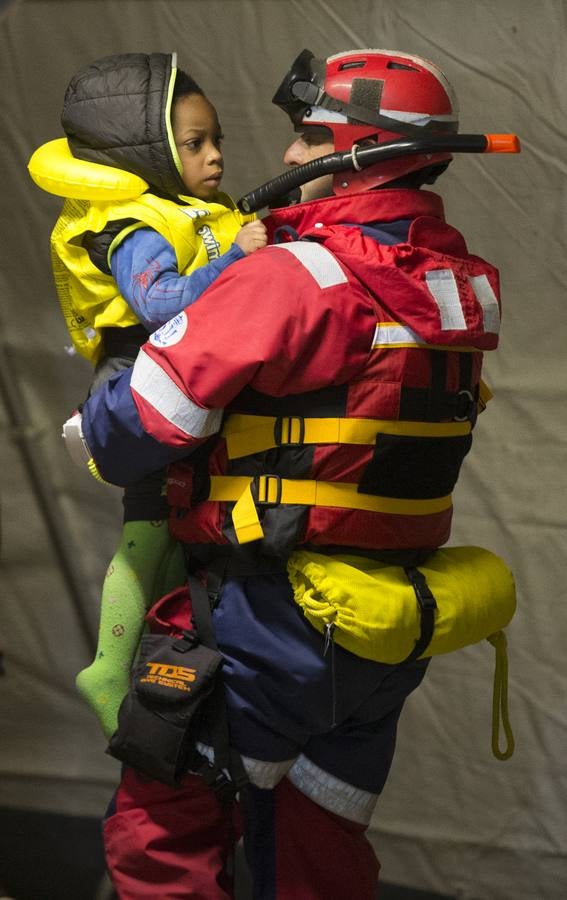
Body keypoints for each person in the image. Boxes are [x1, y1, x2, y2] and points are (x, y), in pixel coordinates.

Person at [69, 48, 504, 899]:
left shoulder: (287, 277)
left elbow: (134, 432)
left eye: (310, 139)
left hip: (261, 619)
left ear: (355, 154)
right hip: (382, 629)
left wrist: (108, 391)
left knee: (165, 833)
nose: (291, 159)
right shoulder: (464, 286)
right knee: (319, 846)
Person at [33, 51, 267, 739]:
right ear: (147, 151)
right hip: (139, 392)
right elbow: (161, 304)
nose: (215, 157)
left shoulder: (184, 210)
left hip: (172, 386)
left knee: (171, 538)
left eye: (216, 139)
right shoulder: (131, 226)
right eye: (194, 144)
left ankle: (146, 663)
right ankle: (107, 666)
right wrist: (235, 261)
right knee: (144, 534)